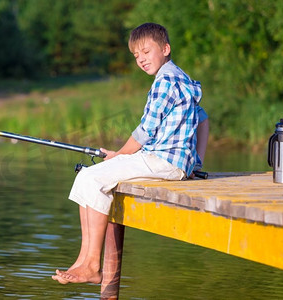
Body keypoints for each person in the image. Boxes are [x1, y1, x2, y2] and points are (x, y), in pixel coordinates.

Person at [52, 22, 207, 285]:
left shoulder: (166, 81)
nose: (141, 59)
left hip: (163, 160)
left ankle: (92, 265)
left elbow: (146, 130)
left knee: (92, 178)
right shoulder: (181, 78)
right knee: (86, 176)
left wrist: (120, 155)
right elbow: (203, 118)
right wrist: (195, 162)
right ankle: (82, 261)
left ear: (166, 49)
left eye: (146, 51)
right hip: (169, 162)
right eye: (136, 55)